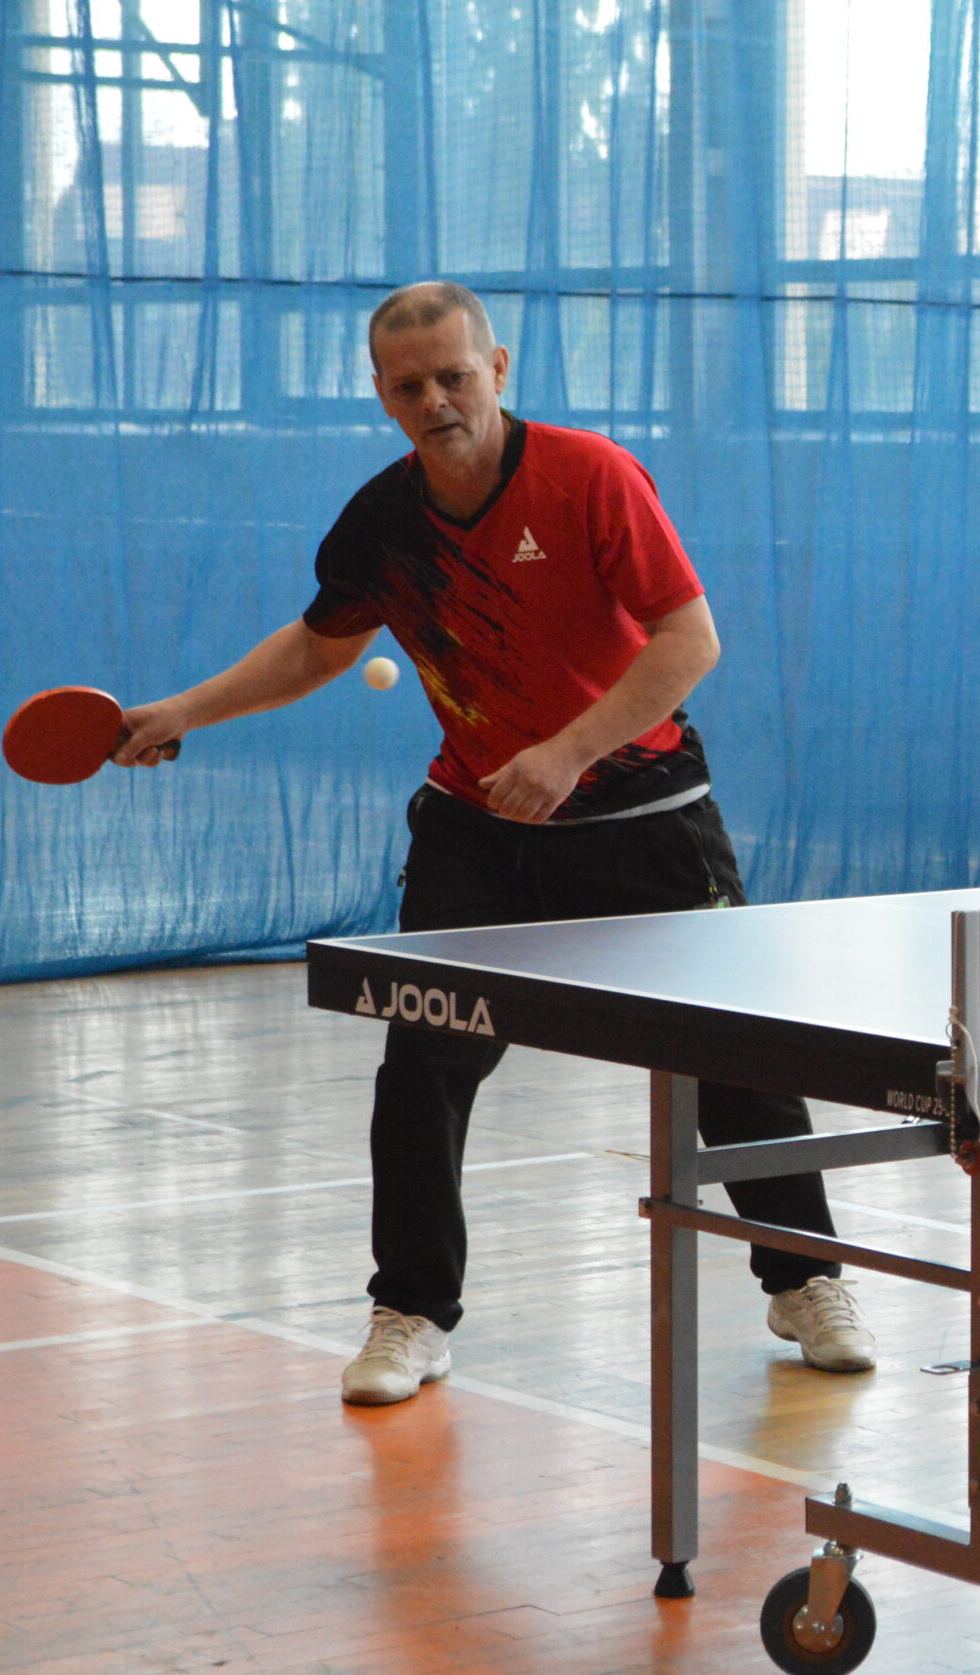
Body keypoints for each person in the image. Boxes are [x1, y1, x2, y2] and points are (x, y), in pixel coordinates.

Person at [115, 280, 874, 1403]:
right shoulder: (382, 522)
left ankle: (804, 1278)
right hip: (479, 832)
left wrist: (567, 752)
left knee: (735, 1053)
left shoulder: (590, 477)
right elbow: (321, 646)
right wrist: (184, 710)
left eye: (454, 376)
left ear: (499, 368)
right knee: (424, 1063)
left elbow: (688, 639)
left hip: (643, 819)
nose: (436, 400)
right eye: (410, 385)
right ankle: (412, 1313)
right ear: (381, 395)